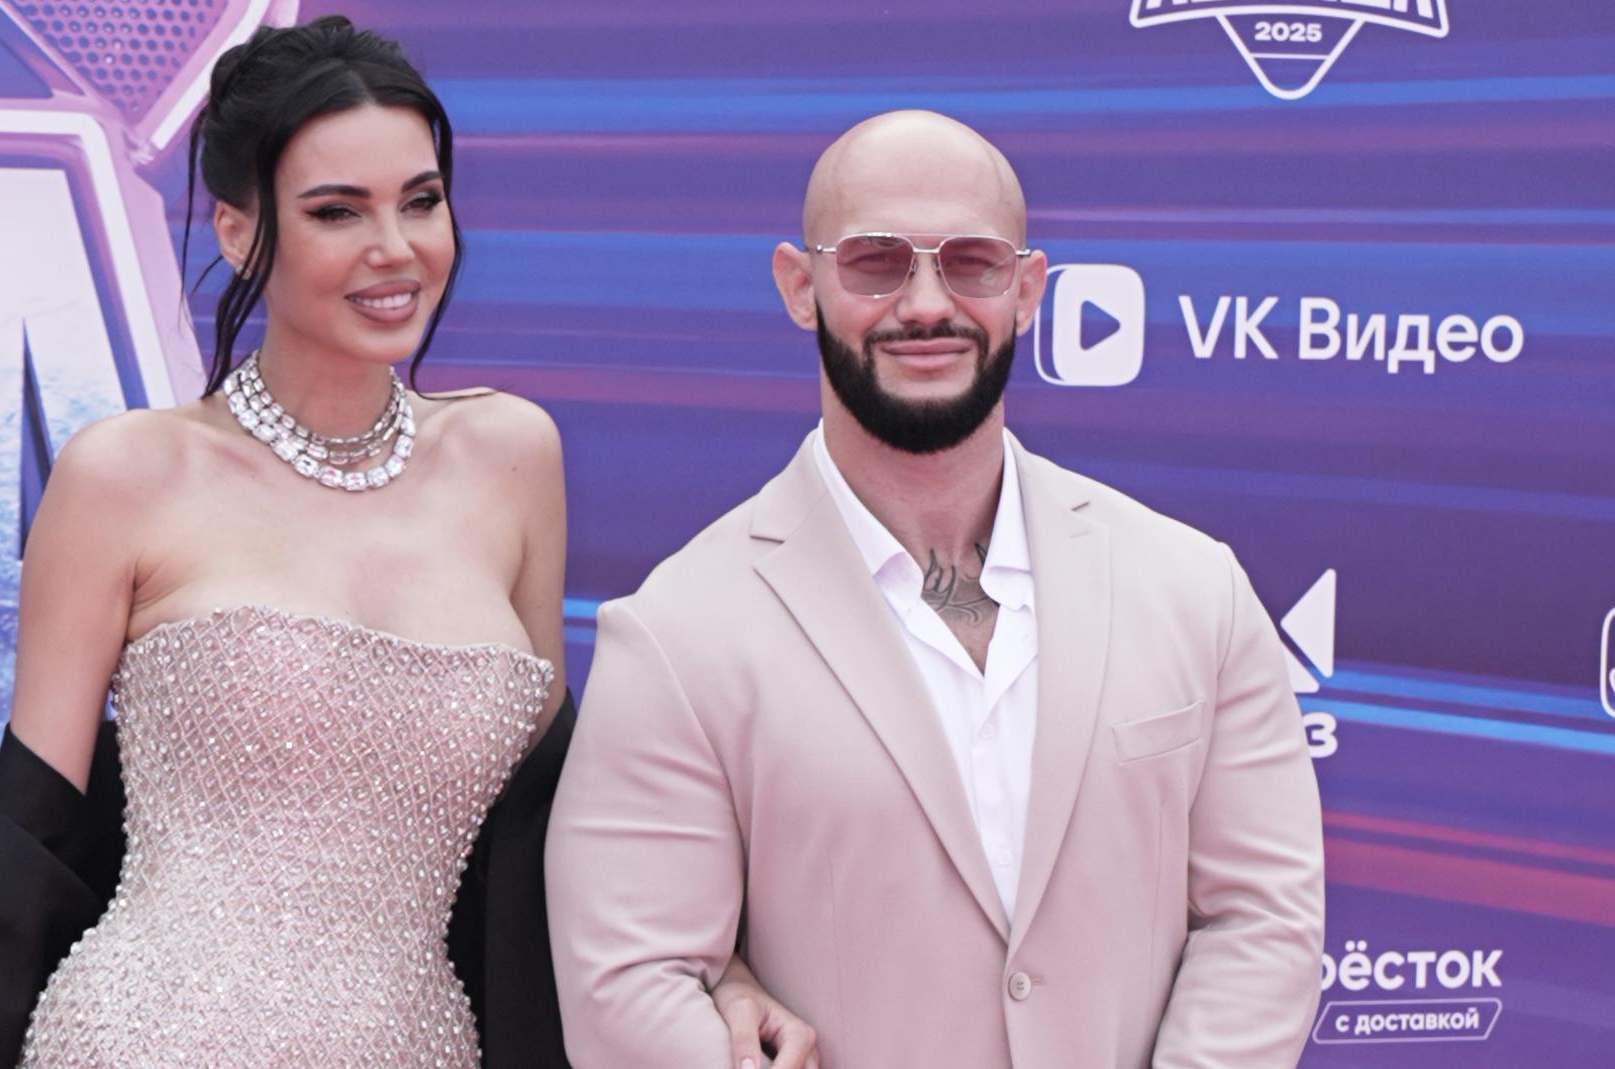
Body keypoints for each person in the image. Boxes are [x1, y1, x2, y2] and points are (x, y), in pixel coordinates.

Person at [0, 17, 810, 1069]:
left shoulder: (511, 455)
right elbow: (30, 833)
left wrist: (715, 970)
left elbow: (557, 815)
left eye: (421, 200)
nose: (396, 248)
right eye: (336, 211)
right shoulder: (124, 474)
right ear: (239, 233)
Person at [545, 109, 1326, 1068]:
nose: (924, 304)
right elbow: (629, 985)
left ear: (1027, 289)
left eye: (971, 262)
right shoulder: (678, 633)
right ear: (800, 285)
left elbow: (1263, 918)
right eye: (875, 261)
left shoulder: (1194, 588)